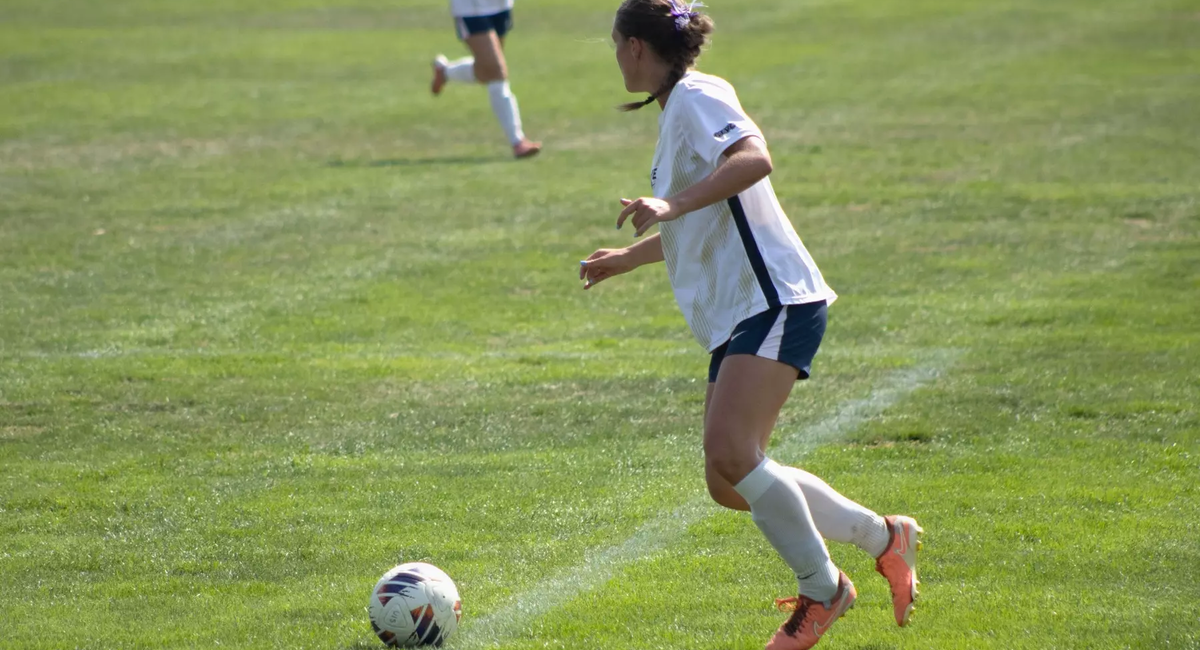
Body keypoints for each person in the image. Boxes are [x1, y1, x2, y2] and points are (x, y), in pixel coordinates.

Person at [578, 1, 922, 648]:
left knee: (734, 455)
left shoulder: (696, 96)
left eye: (614, 42)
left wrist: (670, 201)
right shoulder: (677, 109)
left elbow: (755, 158)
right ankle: (885, 538)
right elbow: (705, 221)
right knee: (728, 478)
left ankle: (825, 590)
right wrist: (631, 256)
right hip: (744, 309)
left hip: (775, 299)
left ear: (634, 48)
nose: (614, 53)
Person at [430, 0, 542, 159]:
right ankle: (518, 142)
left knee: (487, 70)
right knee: (496, 71)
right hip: (470, 8)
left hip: (501, 5)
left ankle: (445, 72)